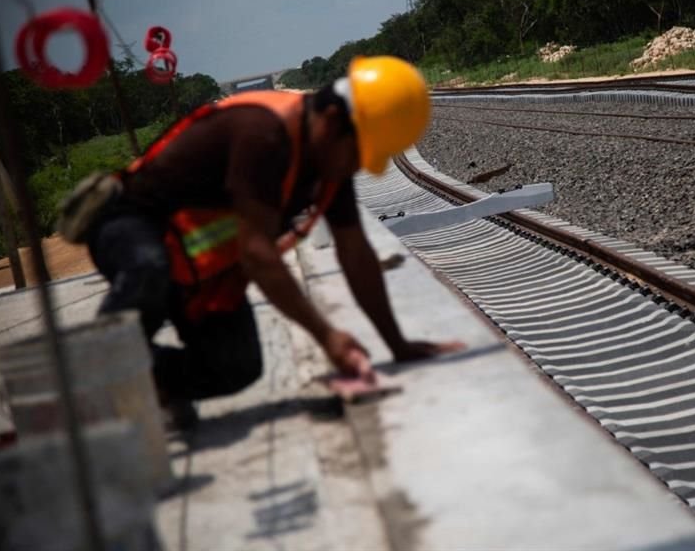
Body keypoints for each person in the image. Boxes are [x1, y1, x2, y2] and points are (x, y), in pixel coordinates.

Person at [83, 56, 462, 427]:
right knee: (148, 269)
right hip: (128, 226)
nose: (357, 167)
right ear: (332, 123)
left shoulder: (329, 159)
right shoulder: (264, 134)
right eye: (358, 156)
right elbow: (256, 254)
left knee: (237, 365)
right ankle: (98, 368)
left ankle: (151, 384)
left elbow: (355, 250)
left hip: (195, 262)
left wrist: (397, 344)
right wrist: (327, 336)